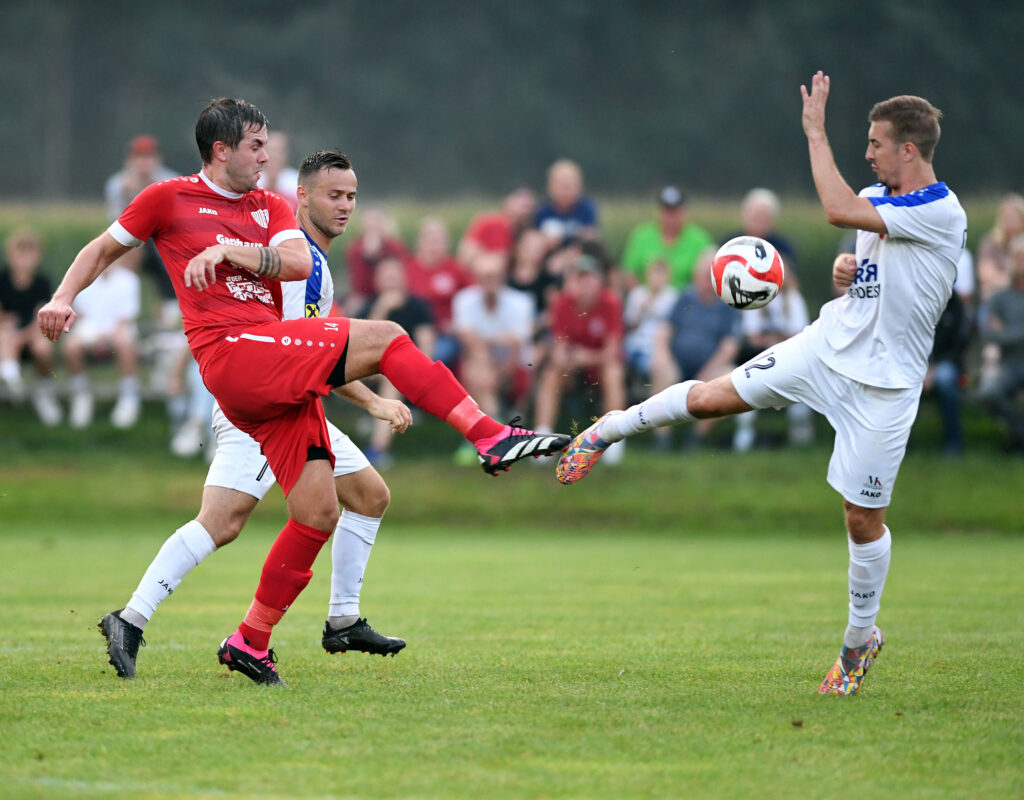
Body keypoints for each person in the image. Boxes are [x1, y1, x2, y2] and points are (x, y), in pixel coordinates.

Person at [39, 98, 569, 686]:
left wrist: (231, 251)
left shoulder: (269, 206)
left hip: (276, 381)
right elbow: (101, 249)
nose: (267, 157)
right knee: (388, 339)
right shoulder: (168, 197)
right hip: (235, 360)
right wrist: (64, 297)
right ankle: (489, 436)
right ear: (221, 150)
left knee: (319, 511)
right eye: (256, 146)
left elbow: (293, 262)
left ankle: (251, 640)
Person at [557, 72, 967, 697]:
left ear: (908, 149)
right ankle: (603, 431)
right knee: (712, 396)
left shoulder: (941, 209)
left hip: (885, 388)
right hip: (827, 349)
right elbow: (874, 273)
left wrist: (814, 134)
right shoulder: (879, 198)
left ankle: (859, 643)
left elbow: (837, 210)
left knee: (862, 520)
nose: (868, 153)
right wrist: (846, 273)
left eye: (877, 143)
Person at [94, 150, 412, 678]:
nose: (346, 206)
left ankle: (343, 621)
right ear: (302, 198)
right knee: (221, 522)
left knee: (370, 495)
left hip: (298, 408)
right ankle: (130, 619)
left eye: (352, 196)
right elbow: (297, 357)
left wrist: (373, 400)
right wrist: (376, 400)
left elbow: (322, 355)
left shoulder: (315, 268)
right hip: (262, 414)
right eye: (334, 196)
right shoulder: (288, 266)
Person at [534, 253, 626, 463]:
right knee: (551, 374)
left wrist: (584, 357)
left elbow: (612, 352)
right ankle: (543, 436)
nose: (585, 283)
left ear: (600, 281)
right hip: (573, 368)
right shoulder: (563, 302)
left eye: (590, 277)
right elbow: (559, 352)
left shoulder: (610, 302)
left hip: (599, 367)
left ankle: (615, 436)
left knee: (614, 372)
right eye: (580, 278)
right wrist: (573, 359)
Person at [648, 248, 740, 450]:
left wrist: (707, 371)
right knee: (660, 368)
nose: (704, 279)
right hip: (677, 362)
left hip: (711, 365)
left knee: (728, 377)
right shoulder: (684, 297)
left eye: (710, 275)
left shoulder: (728, 303)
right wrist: (662, 354)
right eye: (701, 274)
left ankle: (695, 439)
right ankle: (662, 439)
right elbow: (664, 329)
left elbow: (730, 345)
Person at [359, 254, 436, 468]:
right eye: (386, 275)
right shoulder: (369, 306)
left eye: (395, 275)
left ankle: (377, 450)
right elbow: (360, 344)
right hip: (368, 370)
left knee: (391, 380)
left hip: (407, 372)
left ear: (404, 278)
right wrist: (382, 310)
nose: (391, 280)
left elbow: (426, 346)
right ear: (377, 280)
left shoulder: (418, 306)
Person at [451, 251, 536, 425]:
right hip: (481, 363)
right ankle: (494, 423)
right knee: (477, 361)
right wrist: (496, 342)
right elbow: (469, 341)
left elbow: (516, 345)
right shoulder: (464, 300)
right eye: (484, 276)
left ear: (502, 277)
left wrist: (497, 371)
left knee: (476, 367)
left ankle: (480, 427)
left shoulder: (521, 302)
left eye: (493, 276)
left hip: (511, 365)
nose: (489, 282)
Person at [62, 261, 142, 429]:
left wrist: (106, 336)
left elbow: (125, 319)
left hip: (118, 331)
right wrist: (95, 336)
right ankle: (81, 394)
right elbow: (82, 314)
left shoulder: (129, 280)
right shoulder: (84, 278)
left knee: (125, 342)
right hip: (91, 329)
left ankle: (129, 396)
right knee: (71, 346)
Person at [0, 228, 61, 425]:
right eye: (20, 252)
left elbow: (41, 318)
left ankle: (43, 394)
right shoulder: (2, 279)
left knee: (42, 347)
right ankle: (12, 380)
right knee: (4, 336)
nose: (24, 258)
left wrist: (21, 336)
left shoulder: (42, 282)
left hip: (32, 335)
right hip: (7, 338)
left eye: (30, 252)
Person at [403, 216, 473, 366]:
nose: (434, 245)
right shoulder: (408, 269)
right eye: (430, 239)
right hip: (413, 333)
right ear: (420, 242)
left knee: (435, 356)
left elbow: (472, 298)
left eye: (439, 240)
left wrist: (458, 323)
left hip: (446, 334)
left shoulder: (455, 269)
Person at [979, 236, 1024, 454]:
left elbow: (1000, 334)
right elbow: (988, 333)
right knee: (989, 392)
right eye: (1019, 258)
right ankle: (1020, 434)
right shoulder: (1000, 298)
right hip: (1010, 364)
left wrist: (1006, 332)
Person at [620, 186, 714, 290]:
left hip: (685, 302)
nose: (671, 217)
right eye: (667, 211)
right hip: (649, 299)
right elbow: (629, 273)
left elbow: (708, 277)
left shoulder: (700, 239)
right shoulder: (641, 236)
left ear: (685, 212)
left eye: (675, 211)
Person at [457, 187, 536, 265]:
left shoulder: (529, 231)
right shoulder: (489, 223)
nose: (526, 204)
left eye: (528, 203)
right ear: (506, 201)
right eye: (520, 199)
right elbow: (466, 255)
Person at [534, 159, 599, 250]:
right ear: (550, 187)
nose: (566, 192)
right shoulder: (542, 212)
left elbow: (590, 237)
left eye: (569, 186)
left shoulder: (586, 208)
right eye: (561, 186)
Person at [259, 130, 300, 211]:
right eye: (270, 150)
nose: (274, 156)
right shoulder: (250, 182)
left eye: (279, 151)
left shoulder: (296, 182)